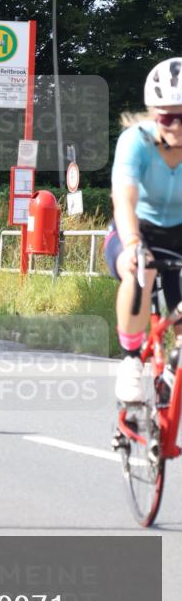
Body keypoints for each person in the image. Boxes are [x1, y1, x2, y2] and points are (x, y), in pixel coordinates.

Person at [105, 57, 182, 402]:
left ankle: (173, 364)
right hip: (138, 226)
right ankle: (131, 362)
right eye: (167, 117)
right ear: (154, 115)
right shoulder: (134, 141)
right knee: (140, 268)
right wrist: (134, 242)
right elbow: (124, 200)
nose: (176, 127)